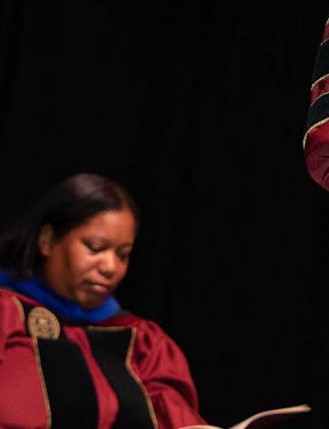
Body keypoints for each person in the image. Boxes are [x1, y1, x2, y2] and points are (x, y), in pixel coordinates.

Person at [0, 173, 204, 429]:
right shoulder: (6, 314)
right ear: (47, 240)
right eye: (95, 248)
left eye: (123, 254)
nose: (110, 267)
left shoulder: (143, 344)